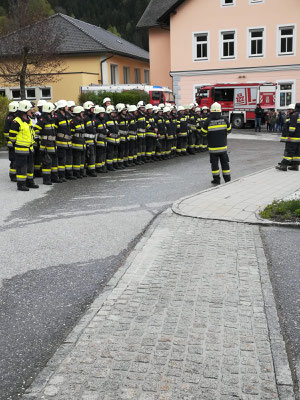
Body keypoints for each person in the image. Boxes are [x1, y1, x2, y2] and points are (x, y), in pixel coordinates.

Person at [9, 100, 39, 191]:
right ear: (25, 110)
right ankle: (21, 184)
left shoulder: (28, 120)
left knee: (30, 166)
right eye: (30, 109)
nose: (32, 111)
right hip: (21, 149)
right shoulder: (16, 122)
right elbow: (12, 136)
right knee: (21, 167)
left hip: (29, 148)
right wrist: (18, 145)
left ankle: (30, 182)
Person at [202, 102, 232, 185]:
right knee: (225, 164)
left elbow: (203, 133)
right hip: (223, 147)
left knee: (215, 165)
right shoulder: (225, 119)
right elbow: (229, 130)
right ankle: (227, 179)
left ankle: (216, 180)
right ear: (220, 110)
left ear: (211, 111)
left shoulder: (207, 121)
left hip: (213, 148)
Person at [34, 102, 61, 185]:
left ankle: (54, 178)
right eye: (52, 110)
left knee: (54, 163)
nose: (54, 112)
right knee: (47, 163)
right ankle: (46, 180)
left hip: (52, 144)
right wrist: (43, 135)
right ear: (49, 111)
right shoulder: (42, 120)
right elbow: (36, 130)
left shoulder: (51, 120)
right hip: (46, 145)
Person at [276, 103, 300, 171]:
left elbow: (292, 127)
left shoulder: (294, 115)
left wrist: (289, 135)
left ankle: (283, 165)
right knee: (297, 153)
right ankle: (295, 166)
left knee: (289, 151)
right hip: (298, 138)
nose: (289, 111)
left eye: (290, 109)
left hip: (293, 138)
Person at [70, 106, 87, 178]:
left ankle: (81, 172)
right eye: (81, 113)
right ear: (78, 113)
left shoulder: (81, 121)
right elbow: (71, 132)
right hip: (76, 142)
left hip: (82, 141)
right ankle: (76, 173)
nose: (83, 114)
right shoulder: (73, 121)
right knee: (77, 159)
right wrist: (77, 131)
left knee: (82, 158)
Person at [4, 101, 19, 181]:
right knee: (14, 159)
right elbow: (6, 132)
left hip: (11, 142)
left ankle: (14, 174)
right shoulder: (12, 118)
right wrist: (11, 140)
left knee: (14, 159)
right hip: (12, 142)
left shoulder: (9, 117)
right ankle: (13, 176)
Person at [83, 101, 97, 177]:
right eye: (92, 108)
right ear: (88, 108)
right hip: (87, 140)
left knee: (92, 155)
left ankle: (90, 170)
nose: (93, 110)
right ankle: (90, 171)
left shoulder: (92, 117)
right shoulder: (85, 118)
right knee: (89, 156)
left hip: (92, 140)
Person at [94, 106, 108, 173]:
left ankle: (102, 167)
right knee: (99, 155)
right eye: (102, 113)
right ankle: (98, 168)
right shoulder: (96, 121)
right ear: (98, 114)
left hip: (104, 140)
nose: (103, 115)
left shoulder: (103, 121)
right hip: (99, 140)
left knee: (103, 154)